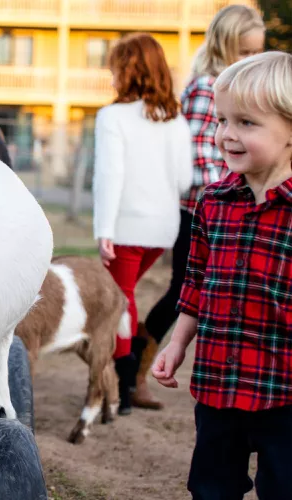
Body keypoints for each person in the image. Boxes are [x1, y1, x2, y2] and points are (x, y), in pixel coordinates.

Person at [153, 51, 292, 500]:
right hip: (218, 383)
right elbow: (194, 285)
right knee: (211, 486)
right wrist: (176, 344)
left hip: (284, 391)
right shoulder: (212, 203)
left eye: (246, 123)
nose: (227, 135)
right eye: (222, 121)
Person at [134, 4, 265, 410]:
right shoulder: (207, 87)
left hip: (225, 206)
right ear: (225, 46)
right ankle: (135, 366)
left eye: (254, 53)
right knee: (184, 290)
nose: (249, 60)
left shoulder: (232, 87)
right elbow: (196, 158)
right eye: (243, 52)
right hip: (202, 209)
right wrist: (231, 190)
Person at [92, 33, 192, 415]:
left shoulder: (111, 116)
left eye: (116, 68)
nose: (112, 76)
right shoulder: (175, 119)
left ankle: (122, 379)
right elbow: (184, 179)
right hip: (163, 228)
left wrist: (104, 229)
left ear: (127, 70)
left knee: (121, 300)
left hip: (126, 226)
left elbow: (109, 177)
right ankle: (127, 377)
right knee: (127, 296)